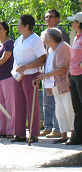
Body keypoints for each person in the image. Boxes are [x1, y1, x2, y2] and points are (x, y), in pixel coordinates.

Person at [11, 14, 47, 143]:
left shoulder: (35, 40)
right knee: (18, 104)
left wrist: (26, 66)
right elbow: (16, 58)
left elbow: (43, 58)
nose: (18, 27)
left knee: (32, 104)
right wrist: (14, 74)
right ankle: (19, 134)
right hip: (18, 76)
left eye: (20, 25)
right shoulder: (18, 39)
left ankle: (33, 133)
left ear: (27, 26)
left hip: (31, 74)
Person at [34, 28, 73, 143]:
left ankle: (74, 135)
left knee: (69, 109)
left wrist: (45, 75)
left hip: (64, 84)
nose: (44, 41)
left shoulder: (62, 47)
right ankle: (64, 135)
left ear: (52, 39)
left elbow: (62, 68)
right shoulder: (51, 49)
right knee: (60, 110)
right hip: (56, 85)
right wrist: (44, 75)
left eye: (45, 39)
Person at [39, 9, 69, 138]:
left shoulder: (60, 34)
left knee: (59, 103)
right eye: (46, 16)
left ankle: (58, 129)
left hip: (59, 74)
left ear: (57, 19)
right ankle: (48, 126)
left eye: (51, 16)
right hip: (47, 71)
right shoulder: (43, 33)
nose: (48, 19)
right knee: (47, 101)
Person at [66, 12, 82, 145]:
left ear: (79, 23)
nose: (72, 23)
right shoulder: (77, 37)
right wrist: (68, 75)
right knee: (77, 109)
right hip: (74, 76)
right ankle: (77, 137)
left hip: (81, 76)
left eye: (74, 21)